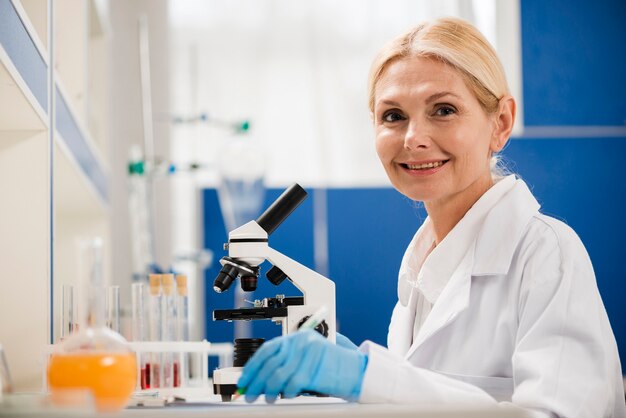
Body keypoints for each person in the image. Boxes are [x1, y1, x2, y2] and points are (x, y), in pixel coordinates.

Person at [237, 17, 626, 417]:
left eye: (443, 110)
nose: (413, 138)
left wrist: (371, 378)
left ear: (501, 123)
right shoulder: (419, 271)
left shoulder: (546, 254)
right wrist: (374, 386)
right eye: (393, 116)